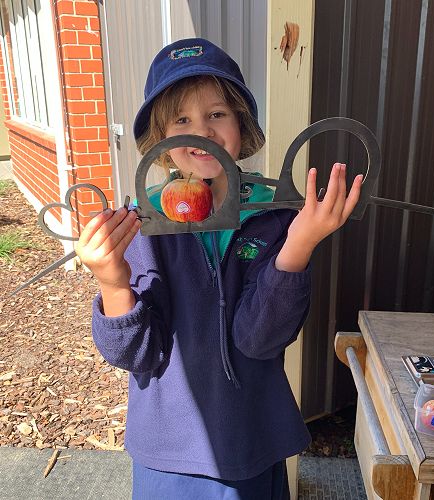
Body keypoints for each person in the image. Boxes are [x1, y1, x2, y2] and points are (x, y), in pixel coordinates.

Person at [76, 38, 363, 499]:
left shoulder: (273, 216)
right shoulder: (144, 223)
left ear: (240, 124)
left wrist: (298, 245)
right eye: (182, 120)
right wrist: (113, 283)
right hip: (167, 448)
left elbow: (259, 339)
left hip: (251, 436)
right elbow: (134, 354)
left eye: (216, 114)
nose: (202, 132)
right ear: (162, 139)